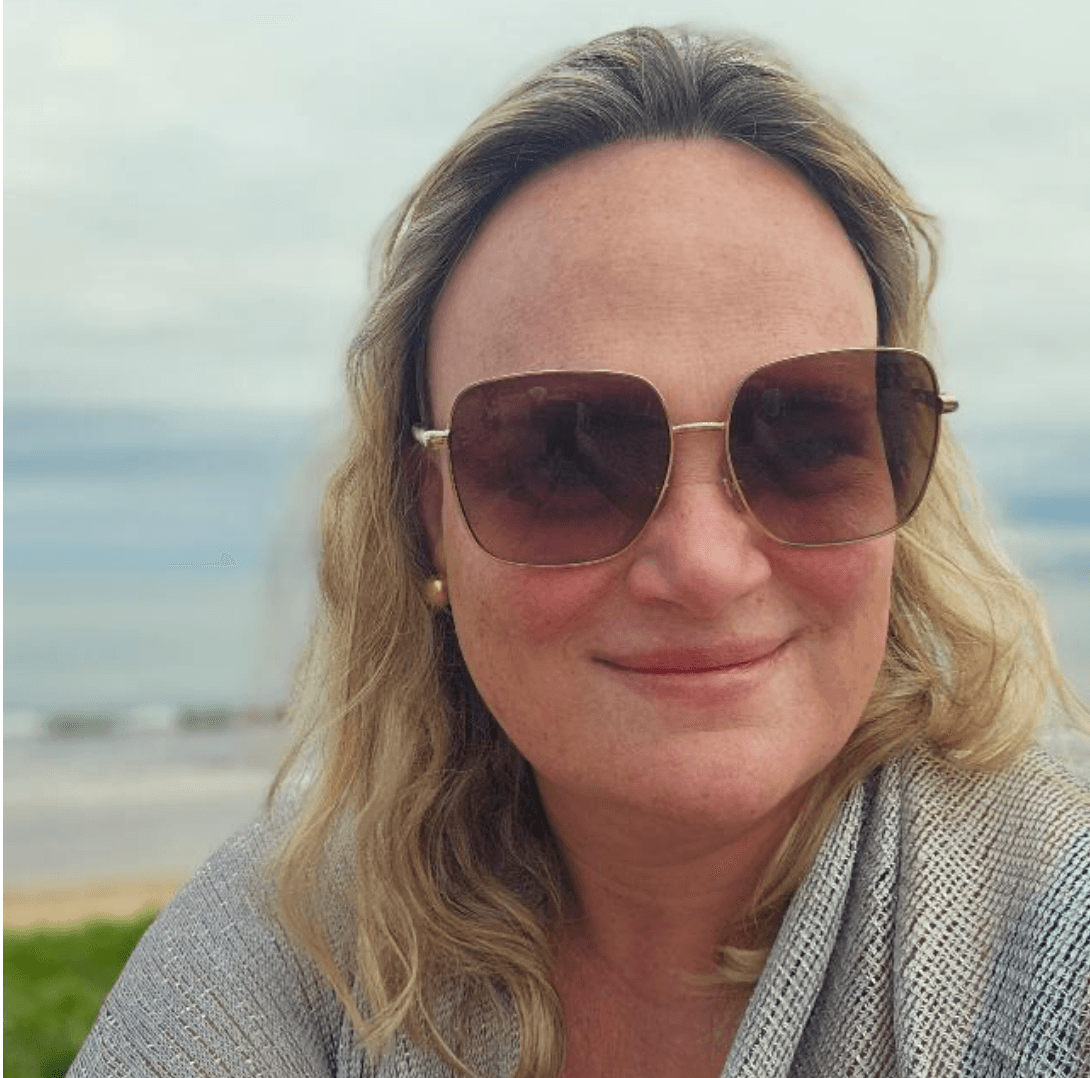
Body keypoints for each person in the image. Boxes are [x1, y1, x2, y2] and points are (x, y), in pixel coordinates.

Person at [69, 25, 1089, 1078]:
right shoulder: (282, 951)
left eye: (804, 438)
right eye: (561, 456)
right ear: (430, 518)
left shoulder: (1058, 931)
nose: (704, 565)